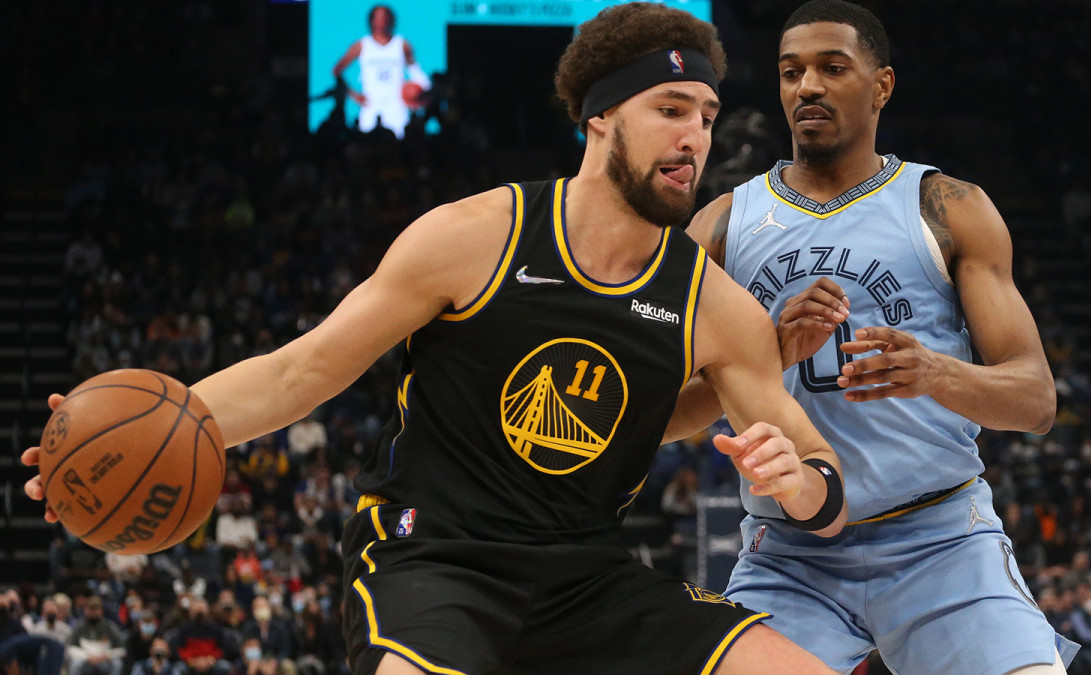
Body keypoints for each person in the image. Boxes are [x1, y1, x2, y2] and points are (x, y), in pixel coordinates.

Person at [24, 4, 846, 674]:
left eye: (705, 116)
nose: (695, 137)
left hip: (588, 577)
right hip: (433, 558)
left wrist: (800, 485)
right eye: (670, 111)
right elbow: (297, 372)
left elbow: (823, 480)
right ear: (599, 119)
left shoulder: (713, 304)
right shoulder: (473, 237)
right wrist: (126, 433)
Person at [679, 1, 1080, 672]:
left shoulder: (949, 208)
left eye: (833, 68)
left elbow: (1036, 400)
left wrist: (937, 373)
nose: (807, 86)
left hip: (941, 540)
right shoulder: (721, 225)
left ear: (882, 85)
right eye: (791, 72)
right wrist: (764, 356)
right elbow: (658, 417)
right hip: (789, 551)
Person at [331, 5, 431, 139]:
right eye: (377, 18)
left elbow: (415, 71)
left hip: (397, 106)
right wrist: (353, 95)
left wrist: (421, 92)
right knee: (367, 146)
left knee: (397, 147)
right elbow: (337, 70)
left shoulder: (402, 44)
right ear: (371, 20)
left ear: (391, 20)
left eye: (385, 17)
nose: (381, 21)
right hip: (371, 105)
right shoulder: (362, 45)